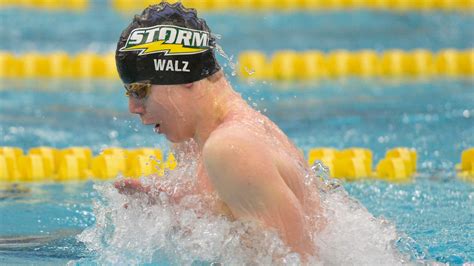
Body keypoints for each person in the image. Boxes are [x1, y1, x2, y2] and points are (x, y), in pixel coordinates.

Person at [113, 1, 324, 259]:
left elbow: (300, 262)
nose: (133, 107)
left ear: (185, 78)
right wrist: (176, 206)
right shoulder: (194, 138)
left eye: (141, 91)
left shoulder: (231, 148)